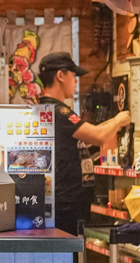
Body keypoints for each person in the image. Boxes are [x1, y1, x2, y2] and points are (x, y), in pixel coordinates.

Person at [36, 53, 130, 236]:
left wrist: (110, 125)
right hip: (65, 206)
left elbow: (89, 133)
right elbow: (98, 136)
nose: (76, 82)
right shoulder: (58, 111)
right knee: (70, 261)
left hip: (60, 202)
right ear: (60, 76)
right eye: (73, 75)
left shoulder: (45, 109)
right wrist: (119, 120)